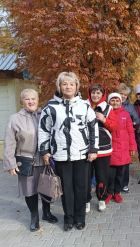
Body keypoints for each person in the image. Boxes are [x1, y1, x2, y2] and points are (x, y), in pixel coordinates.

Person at [38, 72, 98, 231]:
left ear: (77, 86)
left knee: (81, 188)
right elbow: (43, 130)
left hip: (82, 155)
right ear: (59, 86)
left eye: (71, 84)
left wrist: (93, 149)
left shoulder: (85, 106)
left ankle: (80, 218)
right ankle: (68, 219)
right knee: (66, 190)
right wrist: (44, 150)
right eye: (64, 84)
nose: (68, 87)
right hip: (60, 156)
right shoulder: (50, 106)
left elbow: (93, 129)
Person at [3, 89, 58, 232]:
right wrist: (10, 164)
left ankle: (47, 213)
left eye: (33, 98)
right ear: (22, 102)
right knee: (29, 191)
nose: (31, 101)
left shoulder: (45, 115)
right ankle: (35, 216)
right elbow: (9, 143)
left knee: (46, 187)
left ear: (38, 100)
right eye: (27, 99)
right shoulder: (15, 118)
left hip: (45, 160)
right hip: (26, 162)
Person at [86, 83, 118, 212]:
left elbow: (115, 127)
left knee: (102, 176)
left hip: (103, 149)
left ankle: (101, 199)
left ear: (102, 95)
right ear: (89, 93)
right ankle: (86, 200)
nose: (95, 95)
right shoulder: (83, 106)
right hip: (85, 149)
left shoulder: (108, 108)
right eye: (93, 92)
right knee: (85, 177)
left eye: (98, 93)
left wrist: (104, 120)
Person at [106, 93, 137, 203]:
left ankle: (117, 192)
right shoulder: (106, 113)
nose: (115, 103)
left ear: (121, 102)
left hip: (124, 149)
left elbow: (130, 132)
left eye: (117, 100)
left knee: (120, 173)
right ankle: (109, 192)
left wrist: (133, 146)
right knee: (110, 174)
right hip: (110, 148)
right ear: (109, 102)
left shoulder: (126, 114)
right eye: (112, 100)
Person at [116, 83, 140, 193]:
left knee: (125, 164)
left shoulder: (130, 107)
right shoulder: (112, 104)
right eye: (121, 94)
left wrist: (133, 123)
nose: (123, 96)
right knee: (115, 164)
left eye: (125, 94)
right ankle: (115, 185)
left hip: (126, 138)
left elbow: (137, 119)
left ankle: (124, 184)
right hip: (114, 139)